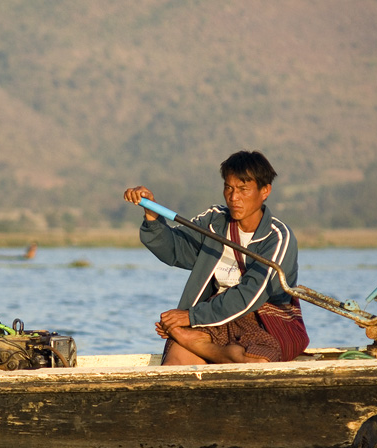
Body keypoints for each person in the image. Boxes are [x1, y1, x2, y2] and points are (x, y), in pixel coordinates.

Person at [123, 150, 308, 365]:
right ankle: (207, 348)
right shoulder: (214, 221)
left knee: (256, 361)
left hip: (265, 318)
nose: (233, 197)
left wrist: (190, 317)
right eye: (228, 188)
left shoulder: (278, 237)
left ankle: (200, 345)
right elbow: (175, 250)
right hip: (212, 315)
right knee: (175, 365)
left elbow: (250, 295)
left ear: (265, 191)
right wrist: (152, 216)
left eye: (243, 189)